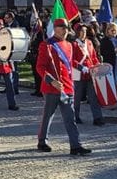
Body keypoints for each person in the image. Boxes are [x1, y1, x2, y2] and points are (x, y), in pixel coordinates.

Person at [35, 18, 90, 155]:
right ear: (55, 29)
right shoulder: (46, 45)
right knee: (48, 116)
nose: (65, 30)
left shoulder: (69, 45)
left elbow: (70, 63)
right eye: (62, 27)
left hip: (66, 86)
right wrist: (51, 81)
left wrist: (84, 68)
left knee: (70, 118)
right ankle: (42, 141)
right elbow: (40, 67)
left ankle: (75, 146)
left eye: (66, 28)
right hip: (51, 87)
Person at [72, 24, 104, 125]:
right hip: (78, 74)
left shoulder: (89, 42)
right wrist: (81, 67)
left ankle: (97, 117)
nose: (84, 33)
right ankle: (74, 117)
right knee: (77, 97)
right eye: (82, 31)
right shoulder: (73, 44)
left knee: (93, 96)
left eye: (85, 31)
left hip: (90, 73)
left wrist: (97, 65)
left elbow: (93, 57)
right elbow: (71, 60)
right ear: (77, 32)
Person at [100, 21, 117, 107]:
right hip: (110, 62)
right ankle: (112, 101)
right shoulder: (105, 40)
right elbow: (103, 52)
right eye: (112, 30)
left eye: (115, 30)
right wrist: (113, 51)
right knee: (111, 82)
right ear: (108, 30)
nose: (114, 32)